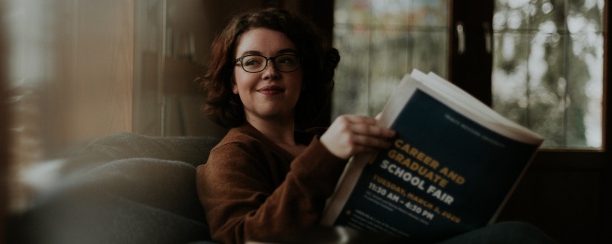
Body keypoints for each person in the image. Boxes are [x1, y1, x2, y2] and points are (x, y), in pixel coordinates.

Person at [196, 7, 556, 244]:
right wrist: (325, 155)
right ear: (231, 81)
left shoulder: (322, 140)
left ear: (304, 76)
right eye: (252, 61)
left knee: (516, 234)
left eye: (285, 60)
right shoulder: (234, 153)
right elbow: (239, 238)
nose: (270, 71)